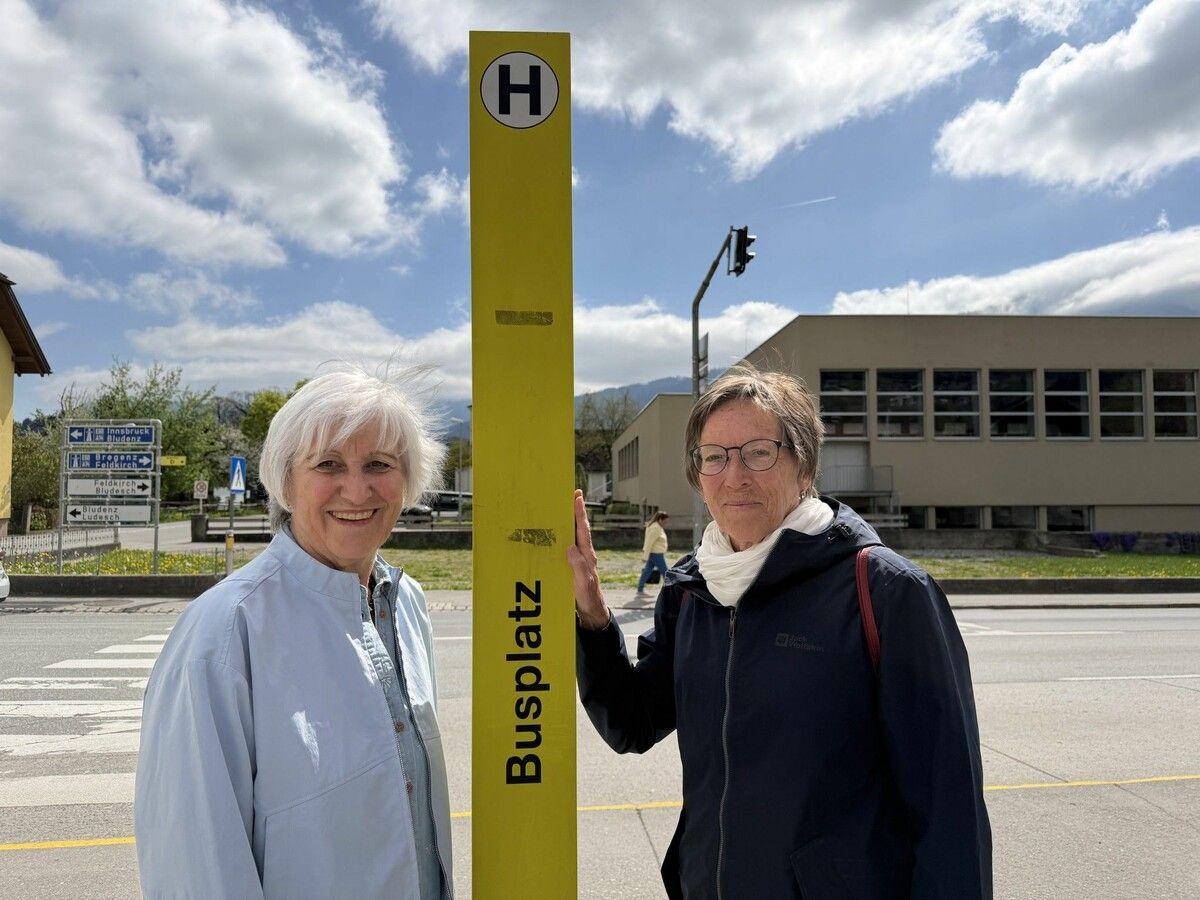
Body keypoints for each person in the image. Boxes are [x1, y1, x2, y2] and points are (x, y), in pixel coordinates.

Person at [569, 366, 991, 899]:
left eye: (758, 452)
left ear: (804, 465)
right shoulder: (691, 592)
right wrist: (592, 614)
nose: (734, 475)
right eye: (714, 457)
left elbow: (948, 808)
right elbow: (631, 724)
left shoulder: (886, 592)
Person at [135, 364, 454, 899]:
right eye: (329, 464)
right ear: (285, 481)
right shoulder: (224, 632)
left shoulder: (407, 605)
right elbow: (195, 865)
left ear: (409, 480)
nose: (357, 488)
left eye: (380, 463)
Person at [635, 510, 670, 598]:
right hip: (656, 554)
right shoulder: (655, 528)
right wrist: (645, 556)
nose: (666, 523)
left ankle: (640, 590)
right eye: (665, 521)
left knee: (648, 571)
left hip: (655, 553)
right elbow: (649, 543)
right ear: (660, 519)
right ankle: (669, 591)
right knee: (666, 572)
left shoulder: (657, 526)